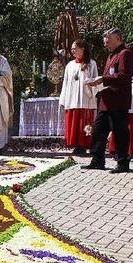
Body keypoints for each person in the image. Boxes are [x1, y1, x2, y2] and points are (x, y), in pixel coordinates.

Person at [84, 28, 133, 173]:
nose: (106, 45)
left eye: (108, 41)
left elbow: (124, 76)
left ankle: (123, 162)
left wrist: (102, 79)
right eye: (105, 42)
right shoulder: (111, 56)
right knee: (98, 131)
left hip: (117, 102)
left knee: (119, 133)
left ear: (118, 39)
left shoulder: (125, 54)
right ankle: (97, 160)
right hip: (106, 102)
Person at [59, 40, 99, 155]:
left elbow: (95, 80)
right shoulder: (69, 65)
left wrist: (86, 72)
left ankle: (84, 145)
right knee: (74, 122)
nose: (72, 51)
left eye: (74, 48)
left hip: (86, 98)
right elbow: (65, 83)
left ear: (83, 49)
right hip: (72, 98)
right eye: (72, 49)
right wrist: (63, 99)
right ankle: (75, 144)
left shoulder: (91, 63)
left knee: (85, 122)